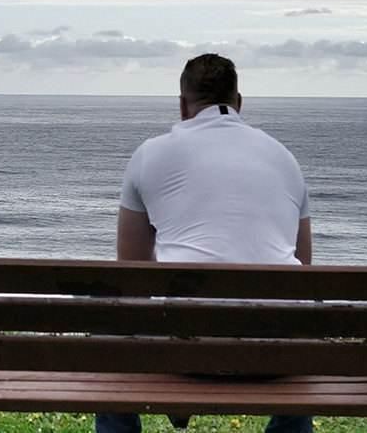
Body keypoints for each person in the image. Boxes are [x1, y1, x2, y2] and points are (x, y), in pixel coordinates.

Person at [98, 53, 313, 433]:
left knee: (108, 328)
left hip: (186, 350)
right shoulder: (285, 159)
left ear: (183, 105)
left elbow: (132, 278)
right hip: (278, 355)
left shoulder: (150, 155)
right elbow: (305, 274)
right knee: (297, 322)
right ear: (239, 102)